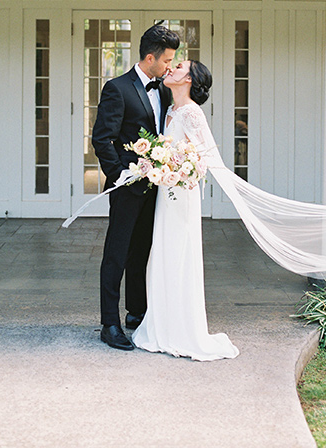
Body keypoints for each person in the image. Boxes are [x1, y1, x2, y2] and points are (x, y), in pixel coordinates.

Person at [132, 60, 239, 361]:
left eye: (177, 66)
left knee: (179, 255)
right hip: (166, 194)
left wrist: (179, 169)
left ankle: (182, 331)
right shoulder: (170, 109)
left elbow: (204, 158)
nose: (170, 69)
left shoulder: (192, 112)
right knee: (163, 254)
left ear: (189, 78)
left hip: (182, 195)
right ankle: (162, 326)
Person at [92, 24, 180, 351]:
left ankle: (136, 312)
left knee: (142, 250)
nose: (170, 66)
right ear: (149, 57)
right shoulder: (118, 88)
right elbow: (103, 138)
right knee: (117, 252)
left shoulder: (165, 89)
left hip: (155, 186)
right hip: (127, 186)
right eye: (167, 60)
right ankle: (109, 323)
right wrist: (120, 175)